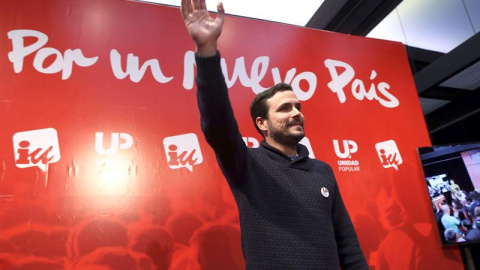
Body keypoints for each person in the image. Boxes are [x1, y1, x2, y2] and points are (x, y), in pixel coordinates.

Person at [179, 0, 368, 269]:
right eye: (284, 108)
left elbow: (347, 243)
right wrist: (207, 51)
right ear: (262, 123)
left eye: (298, 107)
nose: (296, 113)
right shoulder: (245, 163)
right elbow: (217, 122)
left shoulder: (323, 171)